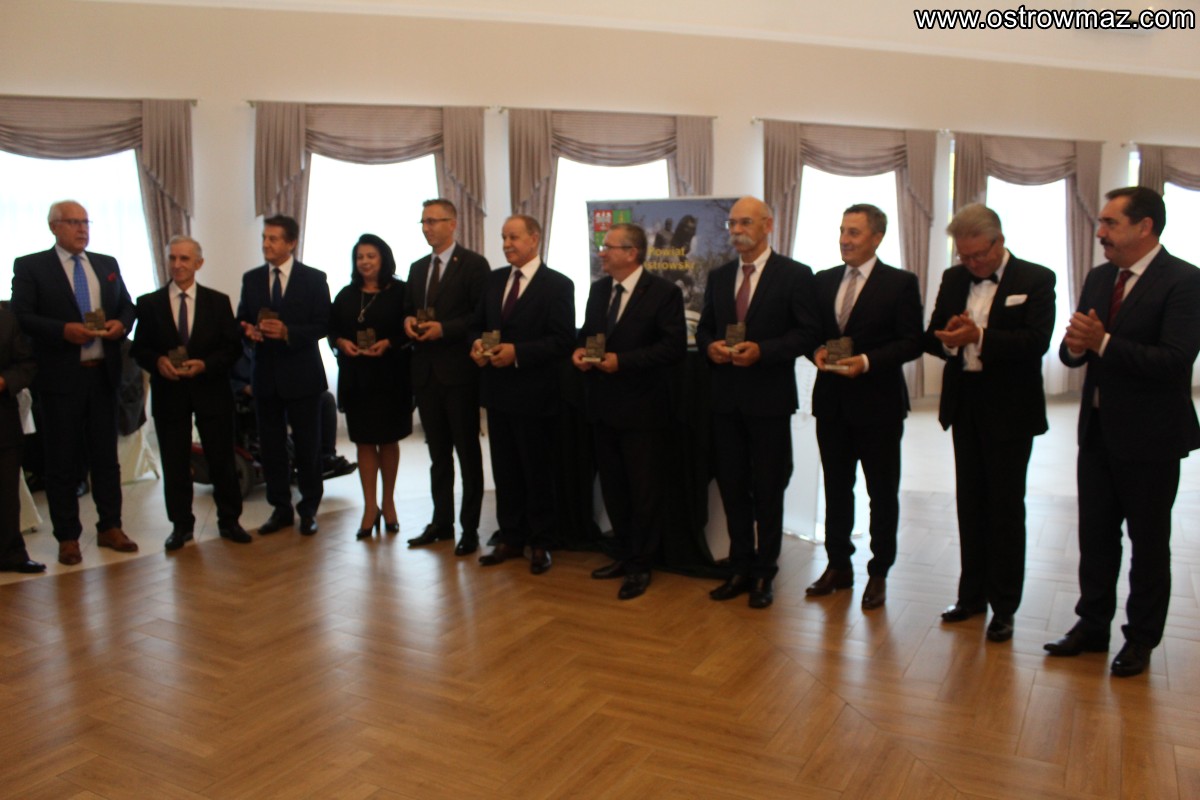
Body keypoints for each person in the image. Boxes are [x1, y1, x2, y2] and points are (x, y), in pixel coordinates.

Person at [1045, 186, 1200, 677]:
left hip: (1151, 438)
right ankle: (1092, 626)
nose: (1101, 232)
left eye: (1111, 223)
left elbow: (1175, 361)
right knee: (1095, 537)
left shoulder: (1185, 281)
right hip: (1097, 432)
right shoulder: (1099, 277)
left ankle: (1141, 639)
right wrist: (1075, 347)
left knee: (1148, 544)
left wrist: (1104, 342)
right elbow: (1077, 348)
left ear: (1144, 226)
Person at [923, 204, 1055, 642]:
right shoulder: (954, 278)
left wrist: (978, 336)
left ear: (999, 241)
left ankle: (1005, 605)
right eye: (965, 256)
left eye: (980, 255)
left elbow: (1035, 342)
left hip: (1011, 409)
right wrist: (950, 336)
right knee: (970, 504)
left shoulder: (1036, 278)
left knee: (1005, 508)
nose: (973, 263)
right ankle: (971, 596)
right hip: (966, 404)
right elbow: (933, 335)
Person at [695, 196, 819, 609]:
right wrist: (710, 346)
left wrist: (763, 351)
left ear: (768, 225)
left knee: (768, 488)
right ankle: (740, 565)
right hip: (725, 400)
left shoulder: (795, 275)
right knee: (732, 487)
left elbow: (807, 333)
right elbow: (705, 328)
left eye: (744, 223)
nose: (735, 231)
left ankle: (765, 571)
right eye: (731, 224)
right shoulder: (719, 276)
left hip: (768, 400)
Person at [807, 203, 923, 609]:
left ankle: (879, 571)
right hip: (832, 405)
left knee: (881, 493)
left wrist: (868, 362)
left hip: (879, 406)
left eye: (854, 232)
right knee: (836, 489)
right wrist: (816, 351)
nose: (844, 239)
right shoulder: (823, 281)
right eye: (842, 231)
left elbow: (912, 341)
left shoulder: (900, 283)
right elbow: (809, 332)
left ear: (877, 237)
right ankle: (838, 565)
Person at [11, 200, 139, 566]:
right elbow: (21, 316)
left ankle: (110, 526)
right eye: (73, 222)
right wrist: (62, 331)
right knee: (62, 461)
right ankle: (67, 536)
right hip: (60, 379)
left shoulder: (106, 264)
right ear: (54, 227)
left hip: (103, 376)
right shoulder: (32, 266)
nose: (82, 229)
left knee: (106, 458)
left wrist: (121, 325)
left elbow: (127, 306)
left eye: (86, 222)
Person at [573, 223, 686, 600]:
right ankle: (622, 553)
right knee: (614, 488)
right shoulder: (599, 289)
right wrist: (580, 351)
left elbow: (672, 348)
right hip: (602, 407)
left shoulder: (665, 292)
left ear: (632, 253)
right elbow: (588, 334)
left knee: (643, 491)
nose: (602, 253)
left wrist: (622, 361)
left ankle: (641, 565)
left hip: (643, 410)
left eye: (609, 247)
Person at [131, 235, 251, 550]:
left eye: (184, 259)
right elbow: (139, 349)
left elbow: (232, 349)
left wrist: (205, 365)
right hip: (170, 394)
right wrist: (158, 362)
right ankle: (181, 526)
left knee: (222, 459)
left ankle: (230, 521)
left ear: (199, 263)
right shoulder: (149, 304)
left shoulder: (217, 302)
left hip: (211, 391)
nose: (177, 264)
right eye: (173, 258)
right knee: (174, 462)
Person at [472, 215, 574, 574]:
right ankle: (511, 537)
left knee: (537, 470)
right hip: (497, 392)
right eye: (503, 237)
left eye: (513, 237)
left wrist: (518, 353)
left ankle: (542, 541)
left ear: (534, 238)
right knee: (505, 470)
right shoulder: (494, 280)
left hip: (536, 394)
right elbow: (480, 326)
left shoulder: (557, 285)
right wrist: (477, 345)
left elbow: (562, 340)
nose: (506, 244)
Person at [404, 199, 490, 556]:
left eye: (434, 221)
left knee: (467, 454)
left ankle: (469, 528)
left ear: (452, 224)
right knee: (438, 455)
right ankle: (441, 523)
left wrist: (445, 329)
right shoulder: (417, 268)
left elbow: (480, 316)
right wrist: (408, 321)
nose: (427, 228)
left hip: (459, 374)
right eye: (423, 221)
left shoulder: (473, 264)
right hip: (426, 375)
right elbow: (408, 309)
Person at [237, 214, 331, 537]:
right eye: (264, 238)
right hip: (265, 377)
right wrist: (249, 332)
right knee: (272, 448)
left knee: (307, 446)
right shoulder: (252, 279)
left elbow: (323, 324)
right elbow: (242, 318)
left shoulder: (313, 279)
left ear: (291, 243)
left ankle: (309, 509)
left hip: (303, 376)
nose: (266, 244)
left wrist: (288, 332)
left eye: (273, 239)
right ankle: (280, 508)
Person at [329, 234, 412, 539]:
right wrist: (342, 343)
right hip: (357, 379)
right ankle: (369, 507)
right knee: (364, 442)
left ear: (383, 259)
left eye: (371, 256)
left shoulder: (401, 292)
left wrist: (389, 343)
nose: (364, 262)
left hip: (392, 377)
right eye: (360, 257)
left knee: (389, 441)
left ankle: (388, 503)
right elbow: (332, 330)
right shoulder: (346, 294)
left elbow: (409, 331)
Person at [0, 306, 43, 573]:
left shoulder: (6, 318)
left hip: (3, 421)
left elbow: (26, 363)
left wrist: (4, 382)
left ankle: (11, 554)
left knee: (7, 493)